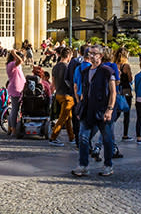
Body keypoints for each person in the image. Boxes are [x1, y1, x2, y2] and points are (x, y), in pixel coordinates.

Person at [72, 46, 116, 178]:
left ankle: (108, 165)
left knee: (107, 139)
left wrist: (110, 109)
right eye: (89, 53)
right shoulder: (84, 71)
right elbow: (83, 91)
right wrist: (80, 106)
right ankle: (83, 165)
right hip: (88, 110)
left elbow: (113, 92)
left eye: (94, 53)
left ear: (101, 56)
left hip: (103, 110)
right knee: (83, 138)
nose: (91, 56)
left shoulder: (107, 71)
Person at [49, 47, 74, 145]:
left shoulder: (55, 67)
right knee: (62, 118)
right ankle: (53, 137)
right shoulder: (67, 67)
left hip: (58, 94)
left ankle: (72, 137)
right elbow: (71, 82)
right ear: (68, 56)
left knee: (68, 117)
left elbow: (53, 83)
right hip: (67, 96)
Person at [6, 49, 26, 138]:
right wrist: (14, 53)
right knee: (15, 110)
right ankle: (13, 129)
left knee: (15, 109)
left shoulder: (16, 65)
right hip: (15, 89)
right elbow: (20, 60)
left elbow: (22, 60)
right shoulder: (11, 64)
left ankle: (10, 128)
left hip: (19, 88)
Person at [115, 49, 134, 142]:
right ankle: (125, 134)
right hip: (126, 90)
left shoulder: (115, 65)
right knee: (127, 112)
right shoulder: (126, 66)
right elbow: (130, 79)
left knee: (117, 111)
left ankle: (109, 127)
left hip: (118, 89)